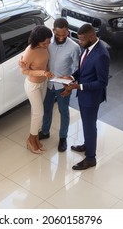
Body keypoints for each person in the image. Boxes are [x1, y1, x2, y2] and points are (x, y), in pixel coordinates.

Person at [61, 23, 110, 170]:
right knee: (86, 124)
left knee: (89, 126)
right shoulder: (88, 48)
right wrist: (71, 77)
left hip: (91, 98)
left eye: (82, 40)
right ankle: (87, 145)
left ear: (92, 36)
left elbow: (102, 82)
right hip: (83, 94)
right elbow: (83, 69)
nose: (79, 42)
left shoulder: (101, 55)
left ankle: (90, 158)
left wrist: (79, 86)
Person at [38, 18, 81, 152]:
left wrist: (71, 85)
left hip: (63, 86)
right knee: (46, 109)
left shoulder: (74, 47)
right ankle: (45, 132)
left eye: (64, 34)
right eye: (58, 35)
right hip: (48, 84)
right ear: (53, 31)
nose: (61, 37)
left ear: (68, 32)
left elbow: (78, 68)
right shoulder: (47, 43)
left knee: (64, 112)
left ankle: (63, 138)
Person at [20, 25, 54, 154]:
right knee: (39, 113)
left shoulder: (44, 47)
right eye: (44, 43)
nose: (47, 44)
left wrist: (46, 74)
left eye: (49, 42)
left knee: (37, 113)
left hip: (43, 83)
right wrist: (43, 73)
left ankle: (34, 139)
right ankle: (31, 139)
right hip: (33, 86)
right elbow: (24, 70)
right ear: (37, 40)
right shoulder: (30, 51)